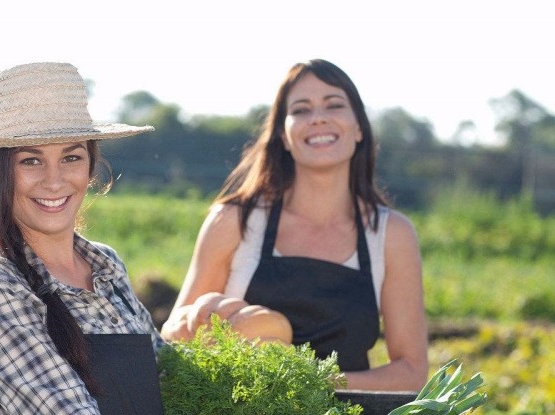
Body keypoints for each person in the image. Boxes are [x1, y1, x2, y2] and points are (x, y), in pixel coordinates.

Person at [161, 59, 429, 392]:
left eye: (334, 105)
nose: (318, 117)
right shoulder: (234, 221)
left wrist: (308, 383)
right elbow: (175, 341)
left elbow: (411, 371)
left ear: (358, 127)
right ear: (283, 136)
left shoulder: (391, 234)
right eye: (301, 110)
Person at [0, 62, 164, 415]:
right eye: (31, 161)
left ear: (90, 166)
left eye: (71, 157)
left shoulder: (106, 267)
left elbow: (166, 377)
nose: (54, 180)